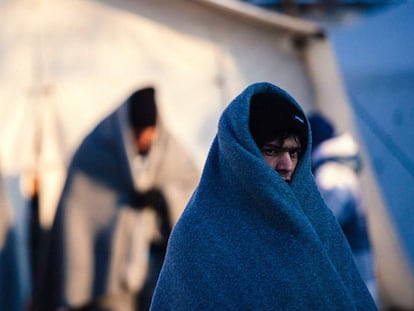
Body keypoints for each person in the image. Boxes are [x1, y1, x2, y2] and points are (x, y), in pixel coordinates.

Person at [150, 82, 377, 310]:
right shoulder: (197, 236)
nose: (287, 164)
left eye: (294, 152)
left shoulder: (315, 216)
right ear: (240, 156)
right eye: (272, 151)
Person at [33, 87, 200, 310]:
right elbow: (79, 208)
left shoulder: (169, 150)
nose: (143, 139)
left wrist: (162, 198)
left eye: (149, 132)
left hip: (153, 271)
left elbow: (190, 188)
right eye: (138, 132)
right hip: (105, 277)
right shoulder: (98, 146)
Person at [309, 112, 377, 302]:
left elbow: (315, 230)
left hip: (350, 291)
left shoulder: (333, 176)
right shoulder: (339, 169)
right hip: (357, 284)